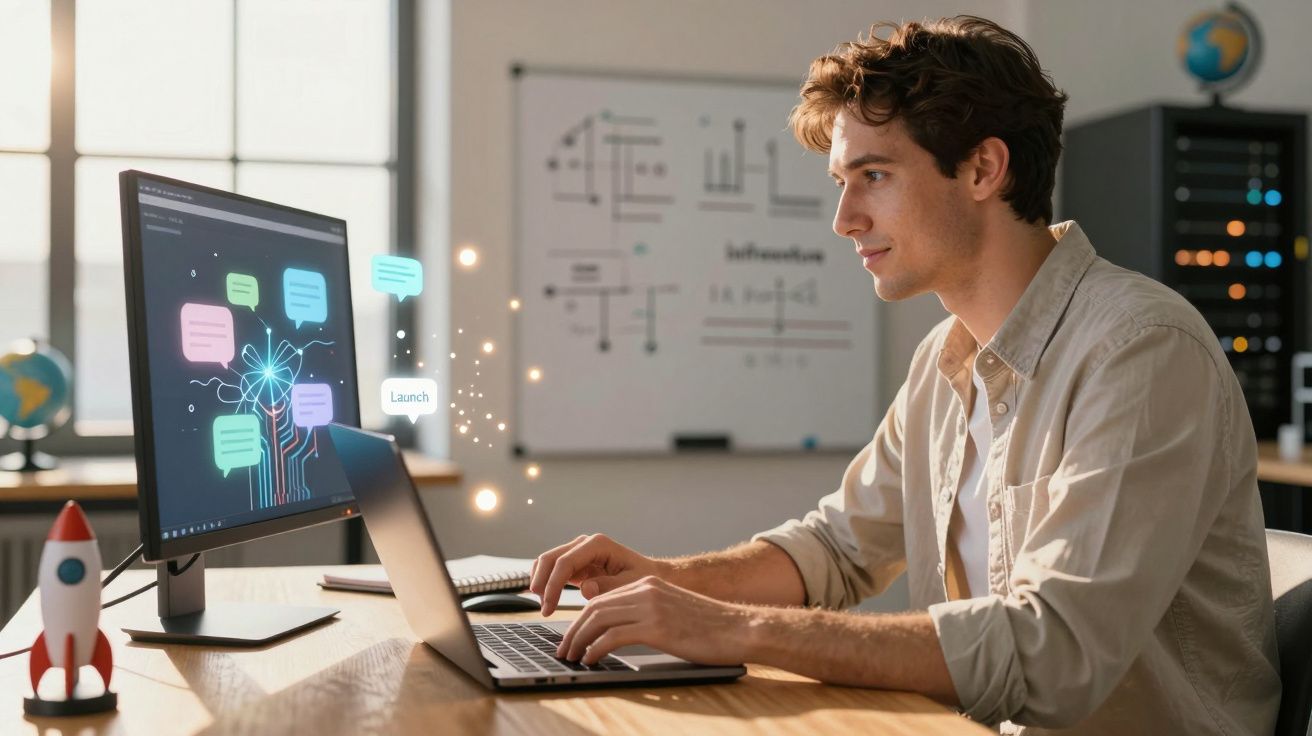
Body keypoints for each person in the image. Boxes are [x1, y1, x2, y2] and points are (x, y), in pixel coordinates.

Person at [529, 15, 1280, 734]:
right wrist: (662, 580)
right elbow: (837, 549)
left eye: (874, 175)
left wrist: (732, 629)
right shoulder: (943, 362)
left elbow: (1053, 651)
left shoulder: (1141, 350)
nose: (844, 218)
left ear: (983, 168)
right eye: (842, 181)